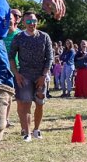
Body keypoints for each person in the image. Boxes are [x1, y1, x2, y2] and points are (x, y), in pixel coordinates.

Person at [8, 9, 53, 141]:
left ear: (36, 22)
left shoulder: (44, 37)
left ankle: (36, 130)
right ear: (23, 22)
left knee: (40, 103)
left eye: (34, 21)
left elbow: (50, 58)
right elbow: (11, 57)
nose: (31, 24)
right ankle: (27, 133)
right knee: (25, 104)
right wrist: (16, 74)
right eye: (28, 21)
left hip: (41, 76)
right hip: (24, 75)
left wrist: (44, 75)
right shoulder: (18, 37)